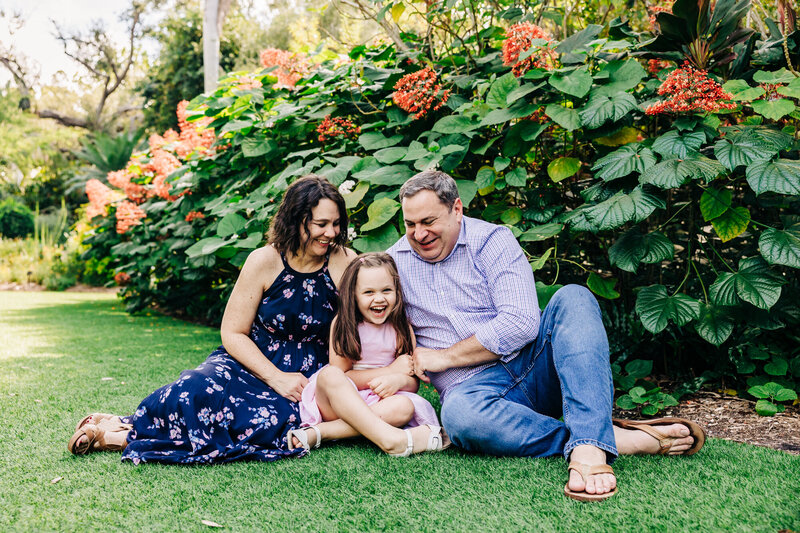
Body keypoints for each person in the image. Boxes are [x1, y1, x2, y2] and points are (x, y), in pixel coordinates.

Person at [384, 170, 706, 501]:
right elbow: (368, 314)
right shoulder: (394, 262)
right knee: (459, 418)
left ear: (456, 209)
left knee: (574, 297)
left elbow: (522, 322)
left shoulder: (492, 240)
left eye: (428, 221)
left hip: (537, 364)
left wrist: (445, 357)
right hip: (472, 392)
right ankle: (601, 437)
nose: (419, 233)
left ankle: (590, 452)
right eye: (410, 224)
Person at [68, 175, 357, 464]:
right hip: (253, 363)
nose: (331, 233)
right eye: (321, 224)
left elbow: (369, 317)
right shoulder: (264, 261)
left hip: (307, 379)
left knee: (264, 424)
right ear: (296, 221)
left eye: (336, 224)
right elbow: (233, 333)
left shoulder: (344, 261)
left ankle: (117, 437)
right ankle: (130, 424)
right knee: (197, 387)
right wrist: (274, 377)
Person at [286, 252, 446, 455]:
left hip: (381, 402)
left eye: (386, 290)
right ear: (353, 294)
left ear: (397, 291)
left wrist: (398, 381)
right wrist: (389, 371)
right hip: (341, 400)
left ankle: (322, 432)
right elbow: (343, 376)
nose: (379, 299)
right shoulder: (345, 324)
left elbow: (413, 382)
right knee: (330, 375)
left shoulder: (401, 326)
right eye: (369, 292)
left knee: (404, 406)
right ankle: (389, 438)